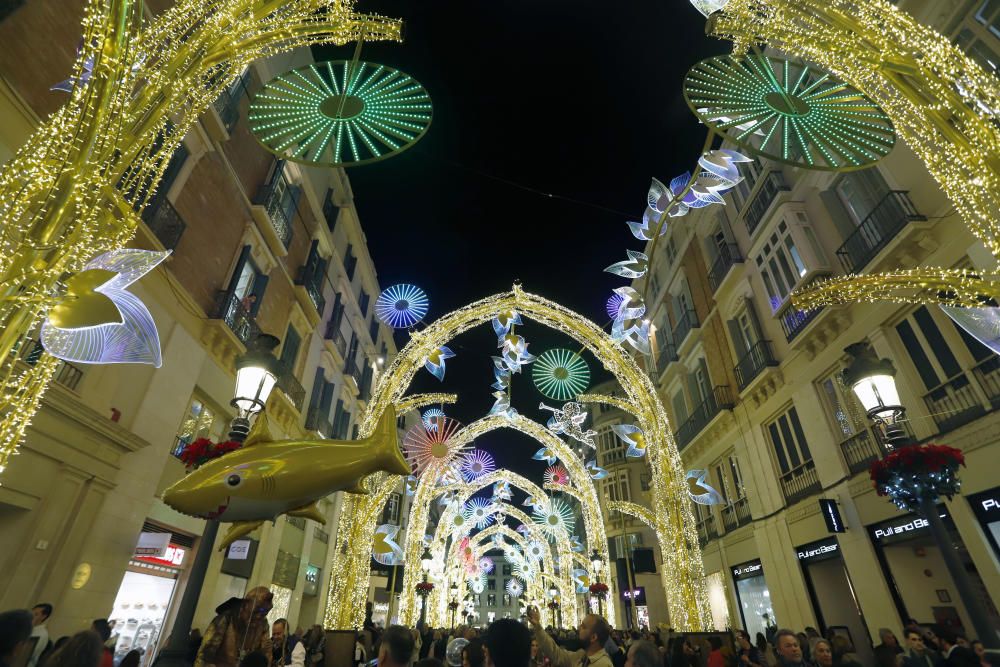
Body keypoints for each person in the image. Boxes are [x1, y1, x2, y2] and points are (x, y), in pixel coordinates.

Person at [195, 587, 274, 667]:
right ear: (245, 605)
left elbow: (265, 656)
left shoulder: (263, 624)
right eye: (256, 611)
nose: (258, 617)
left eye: (264, 613)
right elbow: (204, 657)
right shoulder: (226, 619)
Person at [526, 606, 612, 667]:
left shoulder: (603, 664)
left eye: (583, 627)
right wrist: (537, 626)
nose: (578, 628)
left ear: (593, 637)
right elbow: (556, 653)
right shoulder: (581, 656)